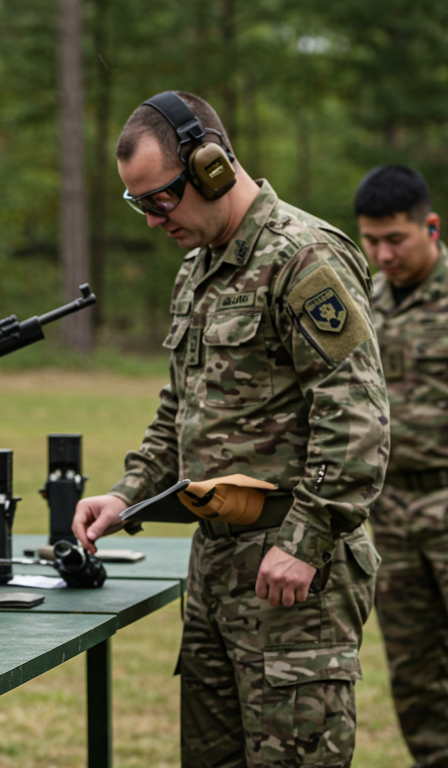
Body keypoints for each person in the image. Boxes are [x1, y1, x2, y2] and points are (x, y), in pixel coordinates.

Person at [72, 91, 389, 766]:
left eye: (160, 199)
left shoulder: (303, 259)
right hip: (217, 563)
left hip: (293, 573)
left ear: (213, 167)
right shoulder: (199, 270)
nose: (155, 220)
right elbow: (178, 408)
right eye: (140, 205)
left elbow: (356, 417)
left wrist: (303, 544)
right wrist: (127, 493)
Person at [355, 164, 448, 768]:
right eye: (371, 240)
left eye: (395, 239)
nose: (383, 254)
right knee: (415, 675)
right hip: (392, 515)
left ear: (430, 227)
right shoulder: (359, 306)